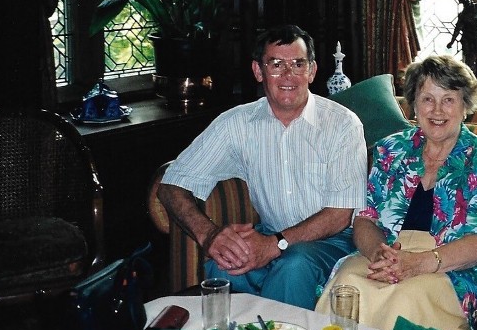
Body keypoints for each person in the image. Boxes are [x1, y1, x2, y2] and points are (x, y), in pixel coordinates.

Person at [157, 24, 367, 310]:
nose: (288, 75)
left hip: (335, 242)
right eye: (276, 64)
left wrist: (273, 245)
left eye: (298, 64)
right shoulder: (237, 124)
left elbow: (339, 216)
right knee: (223, 269)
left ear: (313, 71)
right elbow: (171, 185)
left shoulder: (342, 124)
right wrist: (209, 236)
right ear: (258, 71)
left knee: (294, 266)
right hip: (271, 232)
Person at [315, 55, 477, 330]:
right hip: (389, 254)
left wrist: (419, 263)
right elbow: (366, 217)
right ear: (413, 104)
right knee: (348, 286)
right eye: (427, 99)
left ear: (465, 106)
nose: (437, 110)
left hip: (450, 267)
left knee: (406, 299)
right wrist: (379, 254)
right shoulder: (391, 149)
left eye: (449, 100)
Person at [446, 0, 477, 82]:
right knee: (469, 60)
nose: (466, 1)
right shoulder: (462, 15)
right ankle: (469, 78)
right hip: (467, 38)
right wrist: (452, 41)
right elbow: (457, 29)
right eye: (463, 0)